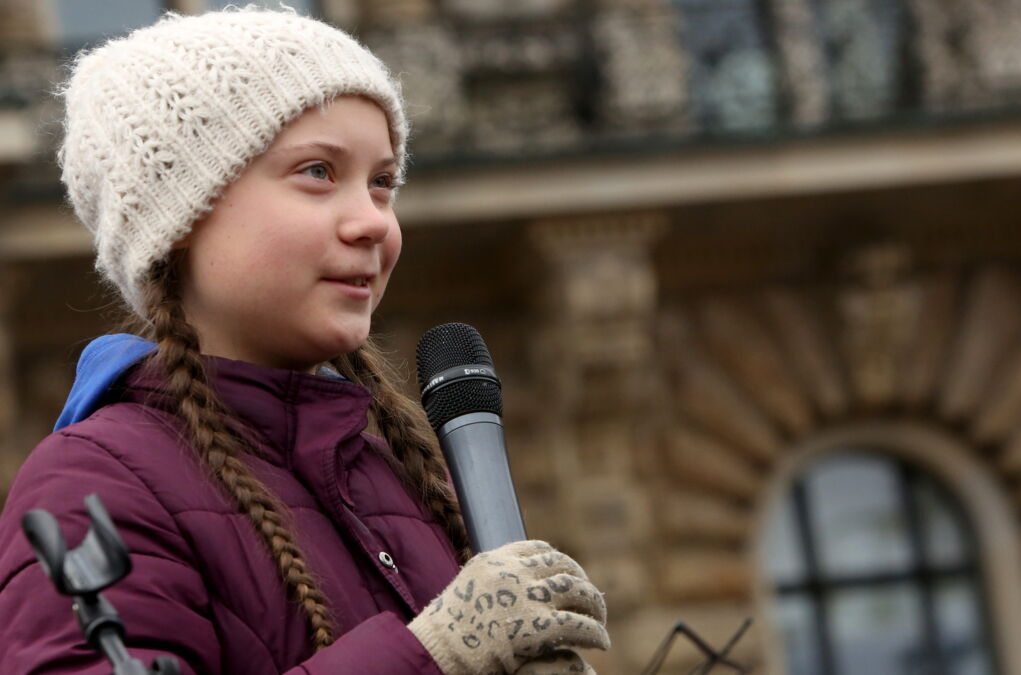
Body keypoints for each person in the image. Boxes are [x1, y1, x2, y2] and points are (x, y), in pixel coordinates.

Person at [0, 8, 608, 675]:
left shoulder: (396, 476)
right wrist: (429, 655)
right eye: (318, 172)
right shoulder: (92, 483)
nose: (373, 222)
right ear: (179, 215)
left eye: (382, 183)